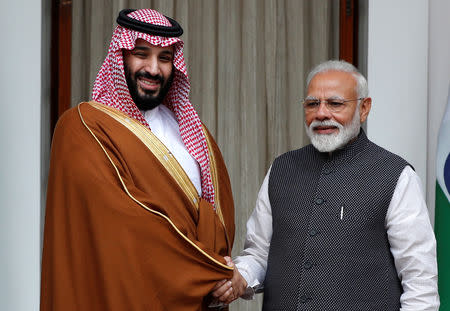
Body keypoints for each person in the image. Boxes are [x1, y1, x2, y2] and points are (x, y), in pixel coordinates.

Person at [40, 9, 236, 311]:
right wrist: (209, 269)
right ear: (120, 57)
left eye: (165, 58)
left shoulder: (194, 132)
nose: (153, 69)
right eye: (141, 54)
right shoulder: (83, 127)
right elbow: (125, 225)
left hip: (194, 297)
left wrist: (218, 274)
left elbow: (214, 214)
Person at [212, 60, 440, 310]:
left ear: (364, 109)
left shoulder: (396, 176)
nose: (321, 113)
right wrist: (239, 278)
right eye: (312, 104)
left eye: (335, 103)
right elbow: (259, 254)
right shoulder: (282, 169)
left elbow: (420, 284)